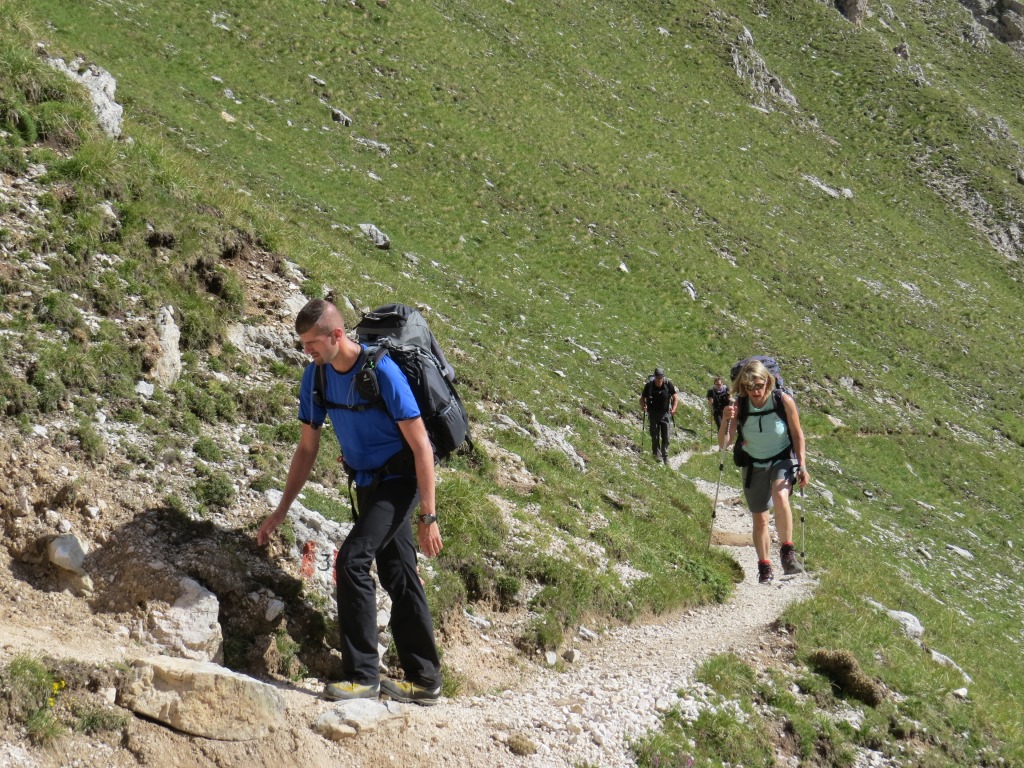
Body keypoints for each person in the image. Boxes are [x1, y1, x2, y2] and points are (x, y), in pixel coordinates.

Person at [257, 298, 443, 705]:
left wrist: (428, 516)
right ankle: (425, 680)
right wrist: (281, 510)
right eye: (303, 344)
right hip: (366, 483)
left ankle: (363, 677)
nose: (307, 351)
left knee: (352, 561)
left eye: (312, 343)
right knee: (399, 573)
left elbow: (422, 447)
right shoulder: (316, 377)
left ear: (337, 335)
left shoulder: (382, 372)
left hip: (401, 480)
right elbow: (306, 449)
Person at [718, 359, 808, 584]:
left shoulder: (782, 400)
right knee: (760, 519)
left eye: (759, 386)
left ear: (768, 382)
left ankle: (787, 553)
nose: (755, 391)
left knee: (780, 496)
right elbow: (724, 443)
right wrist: (726, 420)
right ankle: (764, 566)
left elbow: (797, 435)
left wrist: (802, 465)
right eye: (749, 387)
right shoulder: (740, 405)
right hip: (753, 464)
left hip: (782, 458)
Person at [640, 367, 678, 465]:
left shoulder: (668, 384)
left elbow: (675, 397)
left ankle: (665, 456)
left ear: (663, 377)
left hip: (665, 414)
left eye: (661, 377)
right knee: (655, 436)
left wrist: (674, 409)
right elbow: (642, 398)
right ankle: (657, 456)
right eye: (657, 377)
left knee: (666, 436)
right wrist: (643, 406)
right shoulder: (649, 386)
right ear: (655, 376)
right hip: (653, 414)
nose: (659, 379)